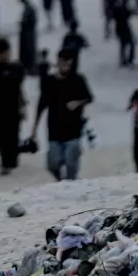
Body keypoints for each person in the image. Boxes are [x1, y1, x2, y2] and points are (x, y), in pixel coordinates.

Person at [29, 47, 92, 181]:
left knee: (71, 168)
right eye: (63, 63)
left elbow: (89, 97)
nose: (66, 67)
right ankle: (60, 182)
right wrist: (34, 129)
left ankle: (70, 188)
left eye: (68, 64)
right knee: (52, 164)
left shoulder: (78, 79)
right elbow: (41, 105)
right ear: (57, 62)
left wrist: (77, 102)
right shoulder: (50, 81)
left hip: (73, 131)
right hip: (54, 131)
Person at [0, 39, 27, 176]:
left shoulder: (18, 68)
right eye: (3, 53)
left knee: (14, 134)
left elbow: (20, 88)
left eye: (7, 52)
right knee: (2, 136)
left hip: (14, 106)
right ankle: (5, 163)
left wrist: (23, 106)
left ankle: (12, 159)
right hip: (0, 107)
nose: (6, 55)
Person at [17, 0, 38, 74]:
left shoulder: (29, 8)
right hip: (27, 33)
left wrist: (23, 22)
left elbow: (30, 20)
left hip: (28, 33)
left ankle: (29, 67)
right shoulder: (28, 7)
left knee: (28, 50)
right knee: (28, 50)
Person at [113, 0, 136, 67]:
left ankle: (124, 60)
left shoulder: (118, 8)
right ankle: (128, 60)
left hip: (119, 29)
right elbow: (127, 15)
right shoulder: (122, 9)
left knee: (123, 45)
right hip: (124, 29)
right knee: (130, 44)